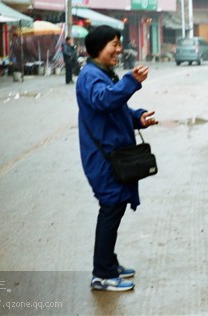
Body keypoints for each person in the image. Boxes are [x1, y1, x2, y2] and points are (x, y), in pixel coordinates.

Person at [75, 25, 158, 292]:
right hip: (103, 158)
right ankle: (102, 274)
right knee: (110, 209)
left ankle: (108, 262)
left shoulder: (102, 73)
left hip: (113, 156)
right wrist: (130, 82)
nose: (119, 49)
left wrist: (138, 118)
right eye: (114, 44)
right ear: (98, 47)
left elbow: (118, 109)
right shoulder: (90, 76)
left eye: (119, 44)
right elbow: (104, 101)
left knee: (115, 208)